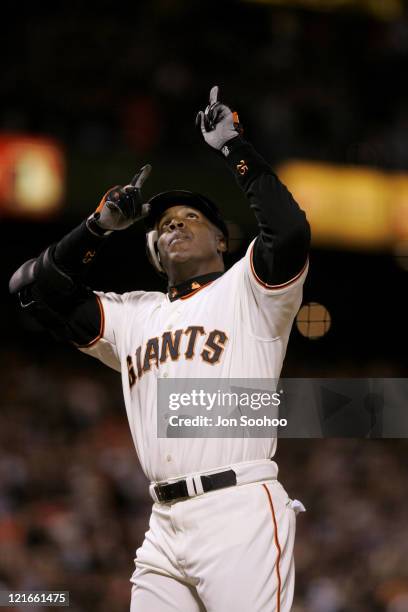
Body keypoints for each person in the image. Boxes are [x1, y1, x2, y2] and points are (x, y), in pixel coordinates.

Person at [10, 86, 311, 611]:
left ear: (222, 241)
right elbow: (30, 290)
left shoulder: (249, 290)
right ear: (152, 253)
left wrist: (234, 148)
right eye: (163, 223)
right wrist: (96, 228)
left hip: (237, 509)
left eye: (192, 218)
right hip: (163, 525)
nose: (175, 222)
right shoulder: (134, 313)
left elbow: (287, 231)